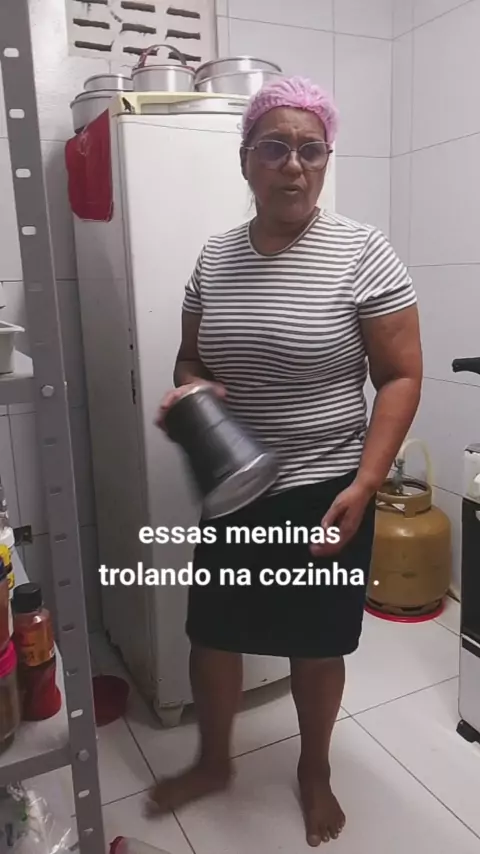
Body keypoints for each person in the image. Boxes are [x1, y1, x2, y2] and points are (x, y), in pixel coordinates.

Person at [151, 76, 422, 846]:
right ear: (245, 161)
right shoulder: (215, 257)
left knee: (316, 641)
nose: (293, 165)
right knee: (213, 631)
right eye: (274, 147)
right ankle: (214, 762)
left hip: (328, 485)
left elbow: (400, 375)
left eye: (311, 149)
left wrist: (367, 482)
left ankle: (314, 770)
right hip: (235, 484)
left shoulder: (362, 251)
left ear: (326, 161)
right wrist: (194, 393)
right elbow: (189, 358)